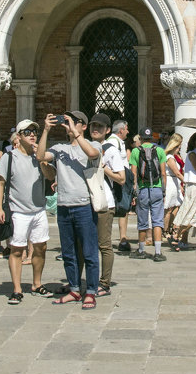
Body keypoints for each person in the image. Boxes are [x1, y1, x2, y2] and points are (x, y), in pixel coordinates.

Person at [36, 111, 101, 308]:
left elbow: (92, 154)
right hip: (64, 206)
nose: (70, 124)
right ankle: (74, 289)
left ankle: (90, 291)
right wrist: (46, 130)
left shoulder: (94, 144)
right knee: (68, 252)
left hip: (84, 205)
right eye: (68, 121)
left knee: (89, 252)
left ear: (83, 126)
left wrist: (77, 133)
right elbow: (40, 156)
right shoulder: (59, 148)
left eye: (75, 122)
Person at [0, 120, 55, 304]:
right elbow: (0, 183)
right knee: (17, 249)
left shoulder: (39, 156)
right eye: (27, 132)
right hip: (18, 211)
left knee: (41, 247)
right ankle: (17, 289)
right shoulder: (9, 157)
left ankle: (37, 284)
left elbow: (51, 176)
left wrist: (41, 158)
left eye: (34, 131)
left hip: (38, 210)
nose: (32, 134)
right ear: (19, 136)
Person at [89, 113, 125, 295]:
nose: (95, 129)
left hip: (105, 201)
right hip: (87, 201)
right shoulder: (86, 147)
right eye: (93, 126)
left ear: (107, 130)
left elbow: (121, 178)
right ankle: (90, 280)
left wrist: (105, 168)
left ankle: (105, 283)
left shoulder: (110, 150)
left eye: (100, 127)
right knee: (88, 244)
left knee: (104, 244)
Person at [129, 127, 168, 261]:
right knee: (157, 221)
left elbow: (133, 173)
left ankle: (141, 250)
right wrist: (164, 191)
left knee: (142, 220)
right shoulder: (160, 150)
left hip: (143, 189)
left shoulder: (135, 151)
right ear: (152, 138)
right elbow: (163, 173)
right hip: (157, 188)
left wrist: (134, 191)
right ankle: (157, 252)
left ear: (140, 138)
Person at [107, 120, 132, 252]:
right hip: (116, 182)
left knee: (123, 208)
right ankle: (108, 239)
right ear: (121, 130)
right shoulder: (112, 142)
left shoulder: (119, 142)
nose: (128, 131)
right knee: (114, 209)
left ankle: (123, 237)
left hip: (121, 181)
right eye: (126, 129)